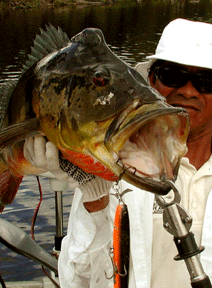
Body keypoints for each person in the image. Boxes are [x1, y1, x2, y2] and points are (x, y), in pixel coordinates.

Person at [23, 18, 212, 287]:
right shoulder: (107, 166)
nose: (189, 90)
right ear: (150, 81)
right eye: (173, 75)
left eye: (207, 82)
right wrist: (95, 200)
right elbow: (79, 282)